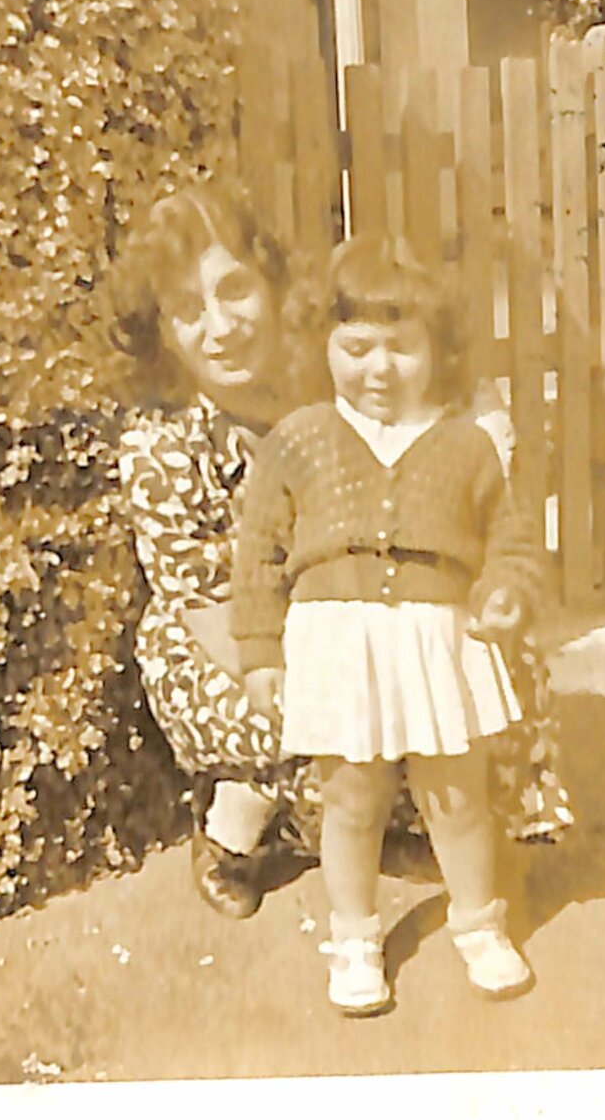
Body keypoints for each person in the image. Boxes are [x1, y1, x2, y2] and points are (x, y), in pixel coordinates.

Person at [230, 234, 547, 1015]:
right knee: (350, 797)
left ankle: (478, 924)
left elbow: (510, 541)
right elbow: (258, 553)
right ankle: (354, 937)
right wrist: (260, 651)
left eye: (401, 347)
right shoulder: (298, 438)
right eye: (357, 346)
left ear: (437, 349)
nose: (379, 368)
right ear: (323, 346)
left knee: (457, 794)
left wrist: (503, 591)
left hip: (436, 638)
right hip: (338, 641)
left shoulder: (468, 444)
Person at [109, 181, 429, 922]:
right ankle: (239, 818)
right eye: (189, 309)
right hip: (231, 645)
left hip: (343, 611)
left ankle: (354, 814)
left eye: (234, 290)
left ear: (272, 284)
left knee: (462, 687)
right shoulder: (160, 444)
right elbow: (210, 616)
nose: (220, 326)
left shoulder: (325, 381)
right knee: (343, 723)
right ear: (164, 331)